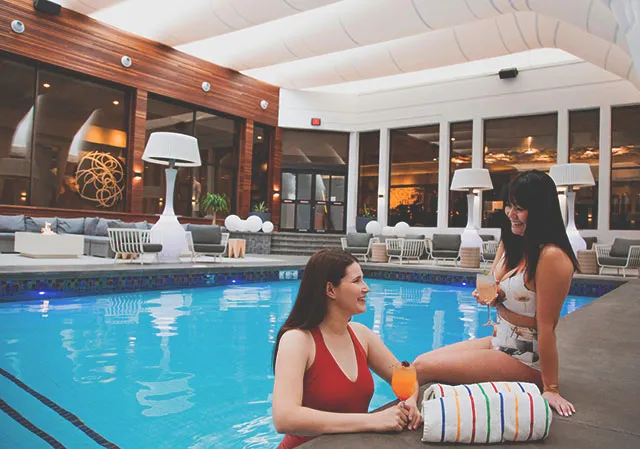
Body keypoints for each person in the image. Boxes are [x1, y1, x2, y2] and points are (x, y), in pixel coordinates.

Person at [413, 170, 579, 417]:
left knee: (420, 369)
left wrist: (551, 388)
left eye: (519, 208)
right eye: (509, 205)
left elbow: (546, 326)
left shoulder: (551, 256)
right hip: (499, 339)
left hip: (525, 357)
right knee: (418, 361)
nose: (511, 214)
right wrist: (494, 296)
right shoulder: (513, 240)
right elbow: (492, 281)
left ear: (541, 211)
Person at [272, 249, 423, 449]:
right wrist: (373, 420)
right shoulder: (298, 340)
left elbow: (407, 378)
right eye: (357, 281)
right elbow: (284, 418)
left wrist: (410, 403)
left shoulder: (362, 335)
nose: (366, 288)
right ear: (330, 290)